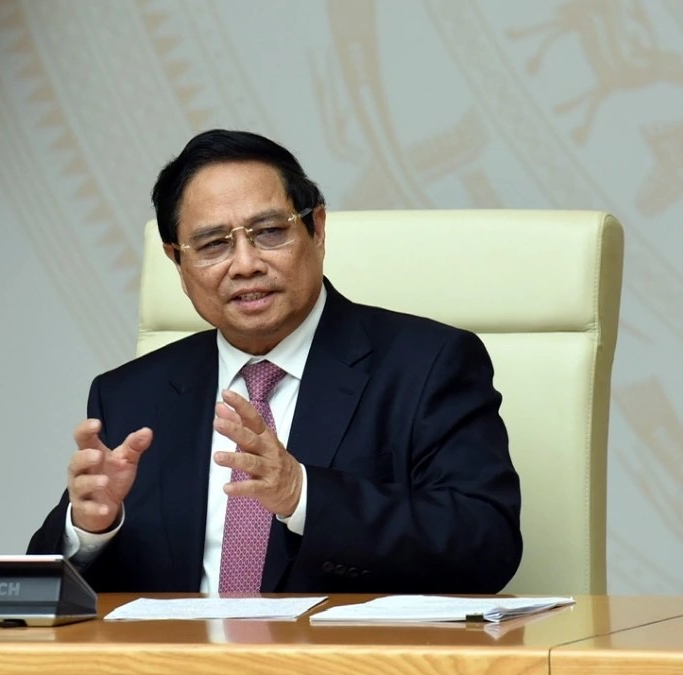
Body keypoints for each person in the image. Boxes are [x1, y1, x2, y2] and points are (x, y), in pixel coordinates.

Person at [27, 129, 522, 594]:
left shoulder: (427, 366)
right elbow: (41, 591)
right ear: (176, 261)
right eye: (213, 244)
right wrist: (90, 530)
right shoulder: (132, 395)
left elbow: (486, 544)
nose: (245, 264)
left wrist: (303, 495)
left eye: (268, 232)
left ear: (317, 229)